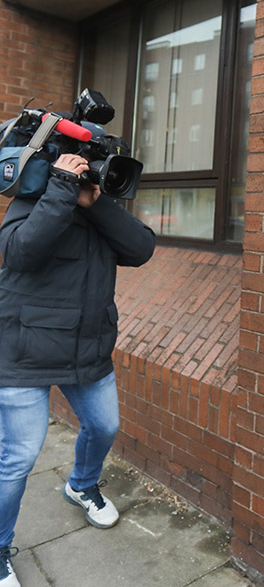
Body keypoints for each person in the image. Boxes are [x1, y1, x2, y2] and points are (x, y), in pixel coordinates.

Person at [0, 152, 155, 586]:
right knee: (18, 457)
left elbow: (141, 248)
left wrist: (97, 202)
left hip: (85, 348)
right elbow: (18, 253)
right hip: (22, 347)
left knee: (105, 426)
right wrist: (61, 190)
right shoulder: (34, 198)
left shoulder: (97, 206)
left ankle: (81, 485)